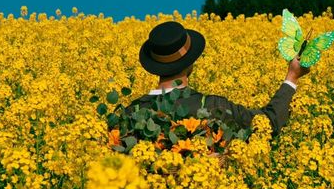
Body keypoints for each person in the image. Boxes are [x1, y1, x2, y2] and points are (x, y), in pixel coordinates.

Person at [126, 20, 310, 135]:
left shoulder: (129, 113)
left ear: (154, 65)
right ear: (191, 61)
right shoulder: (213, 107)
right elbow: (268, 123)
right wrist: (292, 76)